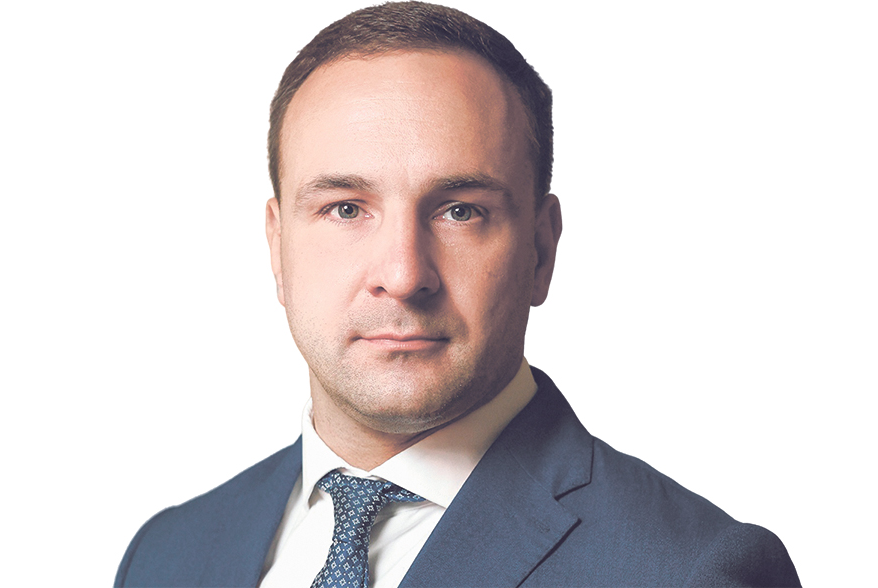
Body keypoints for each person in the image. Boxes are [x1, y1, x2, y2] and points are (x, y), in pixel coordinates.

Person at [115, 2, 800, 586]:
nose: (403, 274)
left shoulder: (689, 570)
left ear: (541, 249)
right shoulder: (166, 556)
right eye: (346, 209)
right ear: (277, 247)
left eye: (460, 211)